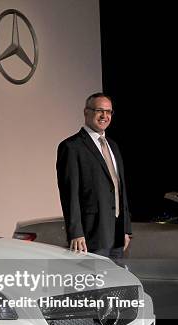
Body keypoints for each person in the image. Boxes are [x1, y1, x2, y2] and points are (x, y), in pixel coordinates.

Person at [56, 92, 131, 261]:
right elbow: (69, 194)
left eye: (109, 112)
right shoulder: (72, 147)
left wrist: (126, 229)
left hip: (117, 235)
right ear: (86, 112)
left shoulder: (113, 146)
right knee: (95, 285)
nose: (105, 116)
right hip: (90, 236)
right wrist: (76, 232)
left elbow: (120, 189)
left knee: (116, 285)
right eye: (99, 111)